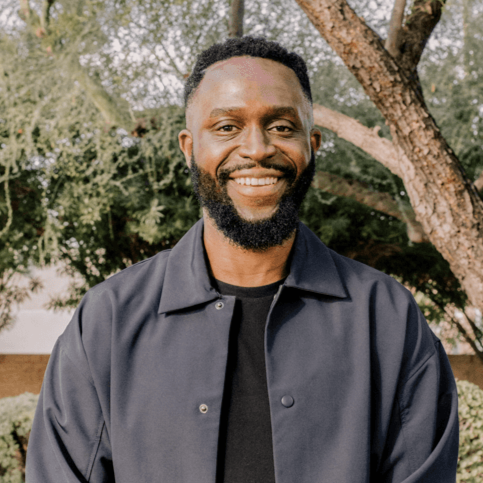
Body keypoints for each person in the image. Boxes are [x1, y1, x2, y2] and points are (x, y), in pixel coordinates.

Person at [26, 36, 459, 483]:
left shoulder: (387, 318)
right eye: (227, 127)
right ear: (189, 148)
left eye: (282, 127)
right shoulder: (108, 320)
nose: (257, 149)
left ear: (312, 144)